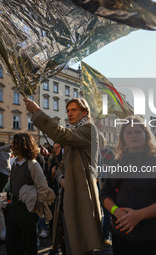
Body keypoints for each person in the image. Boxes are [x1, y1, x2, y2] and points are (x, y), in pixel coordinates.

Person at [25, 97, 102, 255]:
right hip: (68, 194)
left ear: (85, 112)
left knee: (82, 242)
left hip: (81, 193)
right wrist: (60, 178)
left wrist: (38, 112)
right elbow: (61, 165)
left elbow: (62, 135)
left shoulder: (89, 129)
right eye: (68, 110)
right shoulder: (74, 133)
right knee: (69, 241)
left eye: (74, 110)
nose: (69, 113)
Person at [100, 116, 156, 255]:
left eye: (138, 131)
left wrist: (138, 215)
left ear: (146, 135)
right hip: (122, 237)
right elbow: (105, 194)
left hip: (155, 238)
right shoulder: (115, 164)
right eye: (128, 132)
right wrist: (116, 211)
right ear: (123, 137)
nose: (133, 135)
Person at [6, 132, 55, 255]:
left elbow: (43, 187)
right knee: (12, 243)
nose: (12, 146)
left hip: (27, 209)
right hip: (14, 207)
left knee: (29, 245)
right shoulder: (15, 163)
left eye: (15, 143)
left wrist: (36, 207)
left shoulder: (32, 164)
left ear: (23, 145)